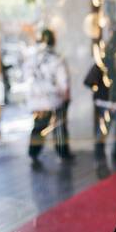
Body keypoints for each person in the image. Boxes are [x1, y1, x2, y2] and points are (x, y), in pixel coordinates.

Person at [23, 28, 72, 163]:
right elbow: (63, 80)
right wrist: (65, 94)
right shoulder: (56, 58)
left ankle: (33, 152)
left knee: (38, 127)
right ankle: (62, 152)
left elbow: (26, 78)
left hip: (36, 100)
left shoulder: (31, 58)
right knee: (59, 127)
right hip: (53, 99)